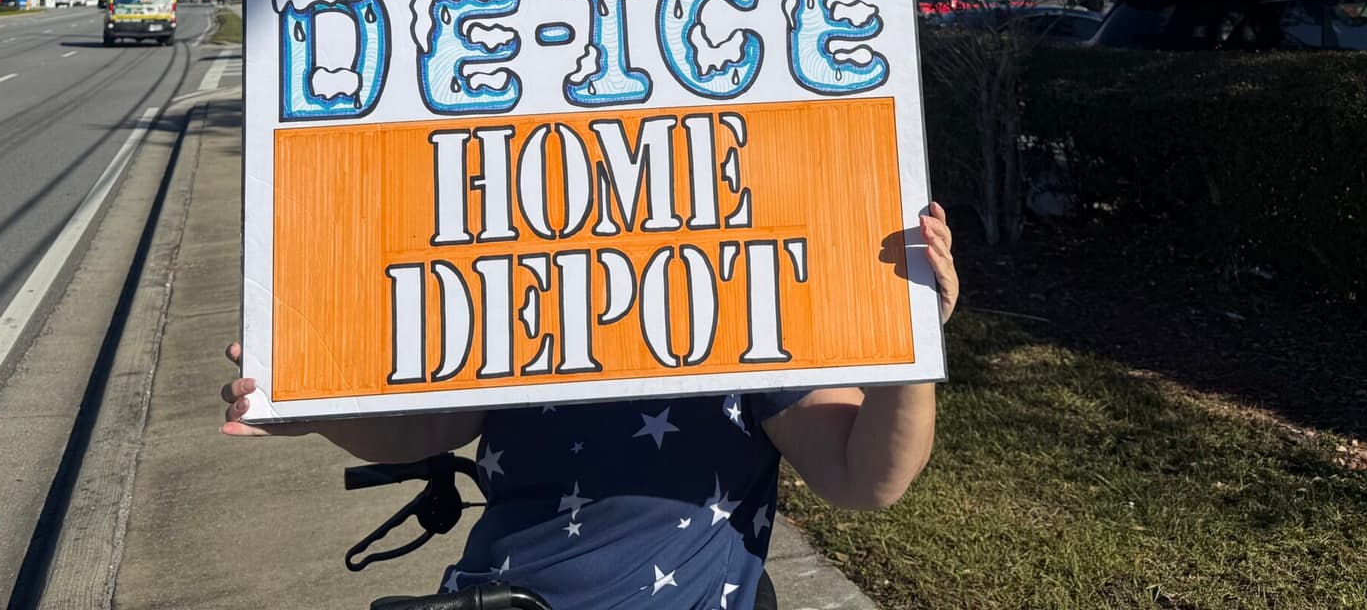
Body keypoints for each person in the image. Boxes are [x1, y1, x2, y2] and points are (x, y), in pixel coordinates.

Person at [221, 203, 959, 610]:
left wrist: (910, 344)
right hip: (499, 598)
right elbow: (429, 427)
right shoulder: (519, 294)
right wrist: (316, 409)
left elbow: (868, 478)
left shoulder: (753, 311)